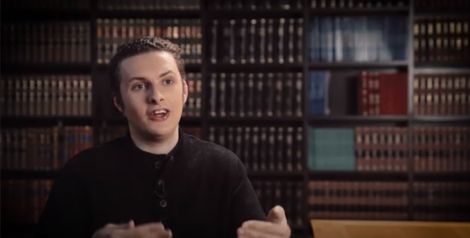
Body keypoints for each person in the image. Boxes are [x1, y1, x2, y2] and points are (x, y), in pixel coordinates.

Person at [37, 37, 291, 238]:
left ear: (185, 92)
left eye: (167, 81)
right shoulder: (81, 172)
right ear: (119, 103)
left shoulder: (224, 166)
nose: (156, 96)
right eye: (139, 86)